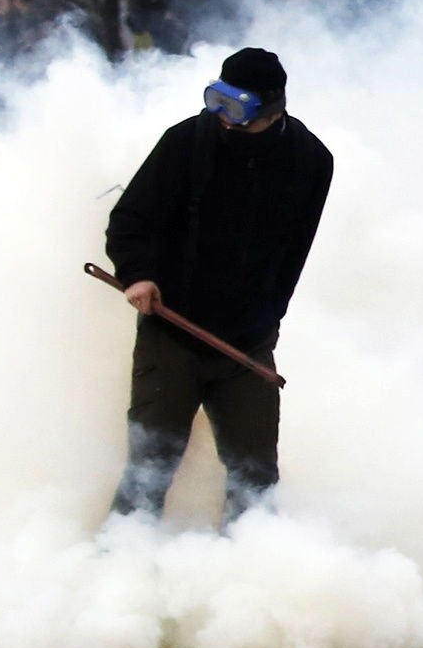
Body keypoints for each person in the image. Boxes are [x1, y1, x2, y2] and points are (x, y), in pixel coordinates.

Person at [103, 48, 337, 522]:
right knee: (151, 465)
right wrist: (138, 273)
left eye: (238, 110)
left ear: (273, 108)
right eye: (217, 103)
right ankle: (114, 569)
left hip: (247, 346)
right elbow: (129, 220)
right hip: (172, 333)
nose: (224, 121)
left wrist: (264, 321)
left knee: (256, 474)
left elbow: (293, 250)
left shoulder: (312, 162)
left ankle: (245, 576)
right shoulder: (186, 142)